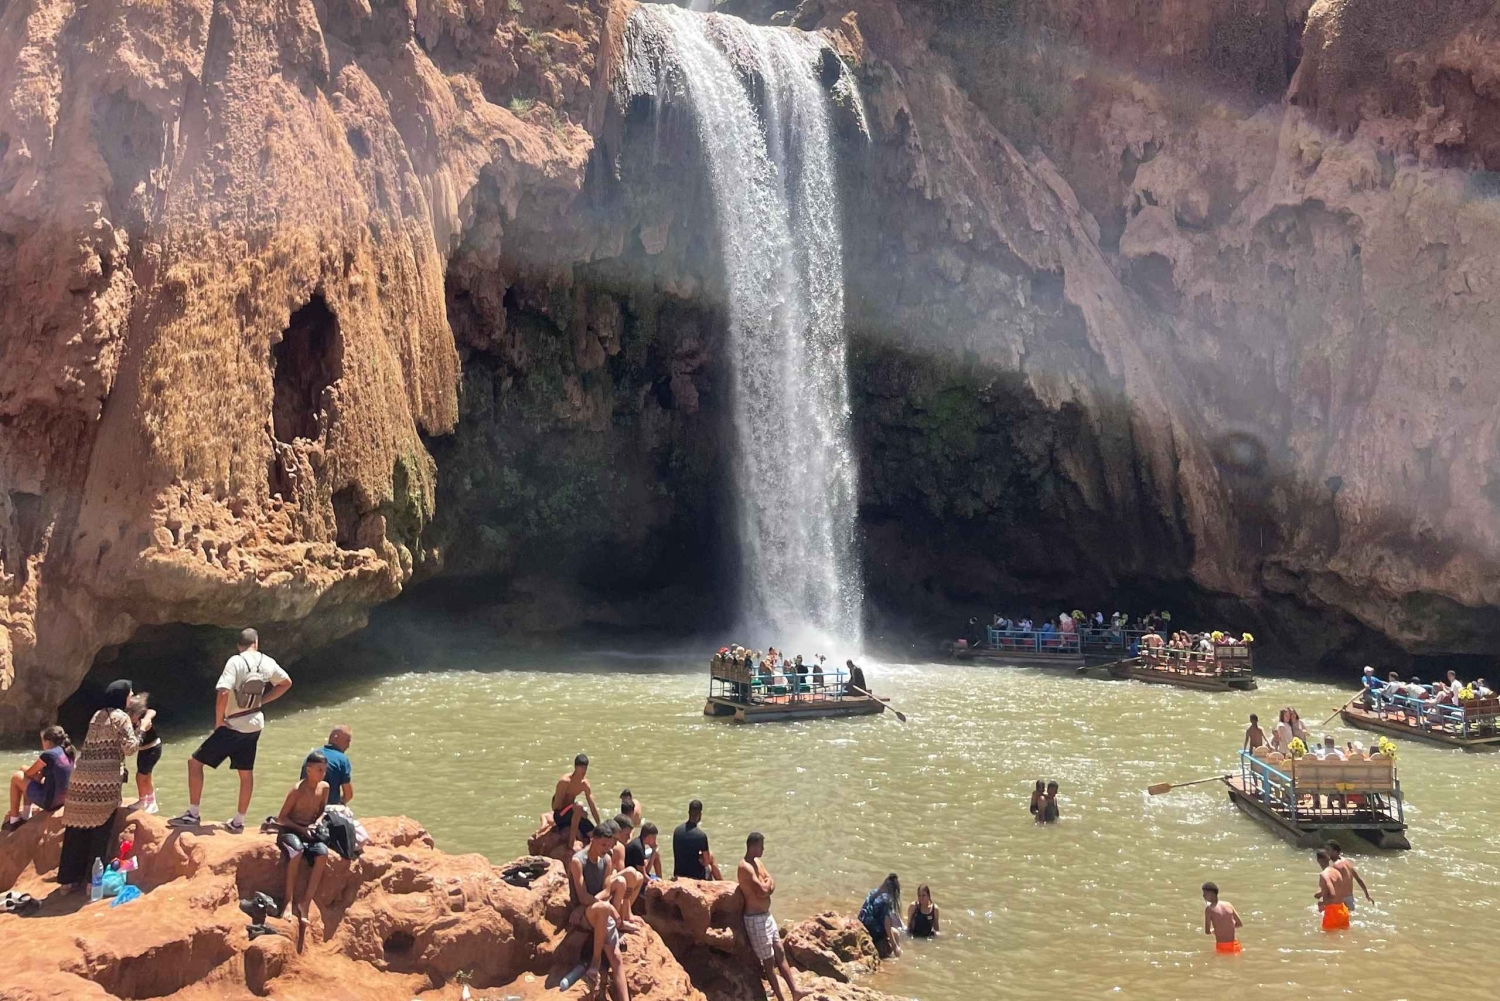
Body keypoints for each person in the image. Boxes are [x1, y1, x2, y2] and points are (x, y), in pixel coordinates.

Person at [170, 628, 292, 833]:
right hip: (255, 722)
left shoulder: (235, 661)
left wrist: (219, 721)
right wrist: (263, 700)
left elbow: (224, 691)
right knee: (246, 772)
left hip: (234, 723)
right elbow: (286, 683)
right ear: (257, 642)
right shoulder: (267, 661)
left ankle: (193, 814)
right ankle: (238, 821)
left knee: (195, 763)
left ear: (239, 645)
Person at [58, 680, 140, 888]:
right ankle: (91, 882)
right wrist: (143, 729)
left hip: (81, 779)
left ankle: (68, 881)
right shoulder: (121, 717)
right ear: (122, 697)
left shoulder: (97, 715)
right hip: (103, 782)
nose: (132, 696)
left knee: (76, 830)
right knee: (100, 829)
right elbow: (129, 748)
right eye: (130, 693)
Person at [738, 832, 805, 1001]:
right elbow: (762, 891)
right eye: (761, 845)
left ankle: (795, 990)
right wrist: (766, 885)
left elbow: (770, 884)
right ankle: (782, 999)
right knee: (768, 962)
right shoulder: (744, 867)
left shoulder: (758, 862)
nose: (763, 849)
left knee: (780, 950)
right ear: (752, 846)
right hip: (755, 919)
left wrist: (767, 885)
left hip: (767, 916)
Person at [568, 822, 629, 1001]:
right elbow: (582, 895)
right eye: (603, 845)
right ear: (593, 840)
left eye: (609, 846)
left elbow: (607, 890)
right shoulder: (578, 861)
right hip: (586, 914)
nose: (606, 849)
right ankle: (595, 961)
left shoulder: (607, 860)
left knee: (616, 958)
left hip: (595, 909)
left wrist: (598, 903)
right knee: (603, 908)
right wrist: (607, 906)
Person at [275, 750, 332, 928]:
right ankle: (288, 901)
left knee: (322, 853)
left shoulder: (325, 788)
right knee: (297, 851)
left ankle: (305, 902)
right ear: (308, 770)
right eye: (319, 770)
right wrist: (301, 829)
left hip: (310, 829)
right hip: (291, 829)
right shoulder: (297, 790)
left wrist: (317, 822)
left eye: (324, 770)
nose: (322, 774)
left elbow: (323, 810)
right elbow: (281, 818)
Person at [5, 726, 75, 832]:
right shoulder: (67, 751)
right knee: (25, 770)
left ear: (48, 741)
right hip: (63, 800)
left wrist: (28, 772)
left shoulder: (48, 755)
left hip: (50, 802)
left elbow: (29, 773)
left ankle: (14, 821)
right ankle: (26, 815)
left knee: (17, 777)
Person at [550, 753, 600, 848]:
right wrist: (575, 809)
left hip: (574, 813)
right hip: (560, 815)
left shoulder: (584, 784)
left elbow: (592, 805)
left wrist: (599, 824)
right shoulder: (564, 782)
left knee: (594, 834)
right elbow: (556, 807)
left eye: (585, 768)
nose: (583, 771)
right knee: (579, 806)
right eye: (581, 768)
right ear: (575, 767)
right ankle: (571, 843)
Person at [301, 725, 353, 806]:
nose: (348, 746)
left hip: (305, 806)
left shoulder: (311, 755)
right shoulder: (342, 759)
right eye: (347, 741)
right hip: (328, 808)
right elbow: (348, 795)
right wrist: (340, 804)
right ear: (335, 738)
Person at [126, 693, 161, 814]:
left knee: (141, 776)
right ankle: (147, 801)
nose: (130, 717)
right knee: (146, 775)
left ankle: (147, 801)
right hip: (143, 750)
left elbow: (152, 711)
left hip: (153, 748)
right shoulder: (128, 721)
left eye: (131, 714)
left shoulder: (143, 718)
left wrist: (146, 720)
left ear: (137, 714)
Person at [608, 814, 645, 926]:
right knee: (630, 873)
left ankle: (626, 912)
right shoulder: (619, 847)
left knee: (639, 877)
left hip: (609, 883)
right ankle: (624, 915)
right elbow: (626, 880)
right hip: (606, 885)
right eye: (626, 834)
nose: (629, 838)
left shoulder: (606, 842)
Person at [672, 799, 721, 880]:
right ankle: (721, 884)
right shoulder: (701, 836)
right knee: (710, 861)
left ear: (688, 812)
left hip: (679, 874)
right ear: (700, 814)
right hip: (696, 877)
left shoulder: (677, 831)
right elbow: (706, 862)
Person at [859, 873, 903, 959]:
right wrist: (895, 947)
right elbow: (887, 925)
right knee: (896, 933)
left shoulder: (873, 892)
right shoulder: (886, 900)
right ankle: (894, 957)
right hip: (873, 931)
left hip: (863, 923)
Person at [1325, 841, 1373, 910]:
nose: (1326, 852)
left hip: (1340, 899)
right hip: (1350, 899)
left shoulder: (1336, 866)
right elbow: (1358, 879)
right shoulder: (1347, 862)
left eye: (1328, 850)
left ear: (1335, 852)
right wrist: (1367, 894)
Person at [1201, 882, 1243, 954]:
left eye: (1205, 893)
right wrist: (1226, 928)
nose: (1203, 896)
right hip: (1236, 945)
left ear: (1211, 894)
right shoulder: (1228, 904)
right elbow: (1239, 924)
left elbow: (1207, 932)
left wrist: (1214, 930)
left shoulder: (1209, 909)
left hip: (1222, 946)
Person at [1315, 849, 1348, 930]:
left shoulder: (1324, 874)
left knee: (1327, 940)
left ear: (1318, 860)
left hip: (1333, 912)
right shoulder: (1336, 872)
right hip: (1343, 909)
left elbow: (1332, 894)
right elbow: (1339, 889)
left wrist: (1322, 903)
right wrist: (1320, 893)